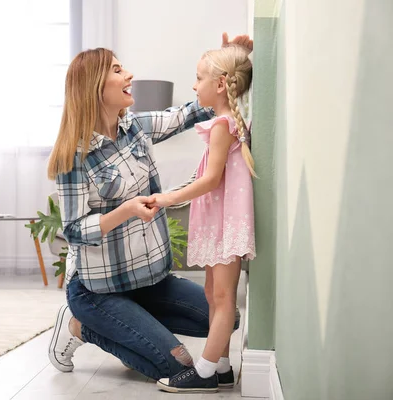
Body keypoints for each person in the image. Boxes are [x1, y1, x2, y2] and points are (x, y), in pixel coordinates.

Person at [46, 34, 253, 393]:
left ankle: (133, 326)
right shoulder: (73, 158)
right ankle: (82, 324)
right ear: (96, 88)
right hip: (99, 290)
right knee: (179, 365)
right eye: (117, 69)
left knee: (226, 317)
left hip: (150, 282)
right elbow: (75, 230)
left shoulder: (136, 128)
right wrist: (123, 211)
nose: (129, 74)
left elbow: (199, 108)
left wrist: (235, 61)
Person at [148, 44, 255, 393]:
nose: (194, 87)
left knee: (223, 297)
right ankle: (221, 366)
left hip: (226, 223)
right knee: (213, 293)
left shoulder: (224, 125)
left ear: (221, 84)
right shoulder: (222, 124)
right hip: (218, 220)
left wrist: (169, 198)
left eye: (199, 78)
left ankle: (205, 371)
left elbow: (210, 179)